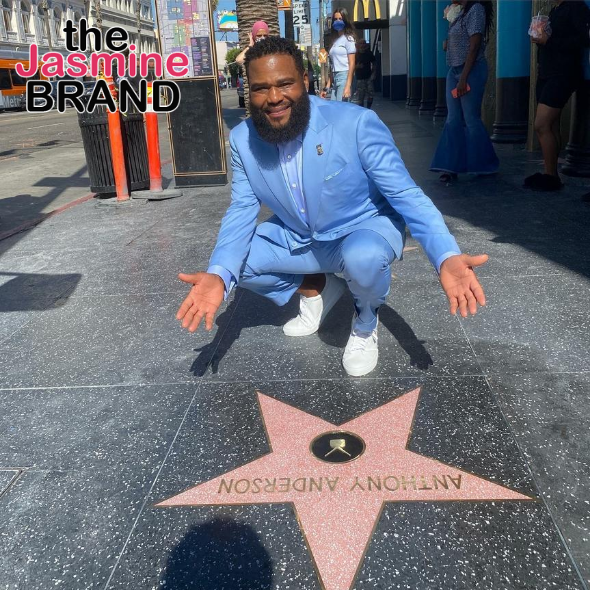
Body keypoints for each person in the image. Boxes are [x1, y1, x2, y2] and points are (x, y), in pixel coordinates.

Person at [176, 37, 488, 377]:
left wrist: (445, 254)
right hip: (302, 237)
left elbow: (406, 194)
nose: (274, 97)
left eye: (285, 84)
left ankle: (366, 323)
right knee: (234, 264)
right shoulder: (242, 140)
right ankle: (318, 289)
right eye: (260, 88)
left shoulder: (355, 123)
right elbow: (241, 211)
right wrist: (219, 275)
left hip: (362, 230)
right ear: (248, 92)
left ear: (305, 82)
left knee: (363, 258)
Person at [430, 1, 499, 183]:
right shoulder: (460, 13)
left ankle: (485, 164)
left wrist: (464, 78)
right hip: (454, 70)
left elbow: (475, 45)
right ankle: (450, 165)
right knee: (453, 118)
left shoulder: (476, 10)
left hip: (471, 70)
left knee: (470, 118)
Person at [525, 0, 590, 192]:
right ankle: (550, 173)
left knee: (541, 124)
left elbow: (584, 38)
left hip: (564, 74)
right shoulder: (555, 9)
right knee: (551, 125)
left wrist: (549, 40)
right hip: (547, 72)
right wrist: (538, 36)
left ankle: (551, 175)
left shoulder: (577, 7)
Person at [320, 8, 356, 102]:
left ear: (345, 20)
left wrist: (348, 86)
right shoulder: (335, 41)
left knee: (342, 110)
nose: (337, 21)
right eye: (335, 19)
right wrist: (327, 88)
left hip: (344, 76)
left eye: (340, 19)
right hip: (335, 79)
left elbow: (352, 63)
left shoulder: (349, 39)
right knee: (334, 108)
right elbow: (333, 66)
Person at [354, 39, 376, 108]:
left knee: (371, 94)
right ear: (358, 45)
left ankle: (368, 108)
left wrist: (374, 73)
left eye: (364, 43)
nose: (362, 45)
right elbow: (350, 66)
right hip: (359, 79)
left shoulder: (369, 53)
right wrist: (357, 66)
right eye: (361, 43)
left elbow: (374, 63)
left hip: (368, 77)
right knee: (361, 97)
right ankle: (362, 110)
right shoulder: (355, 55)